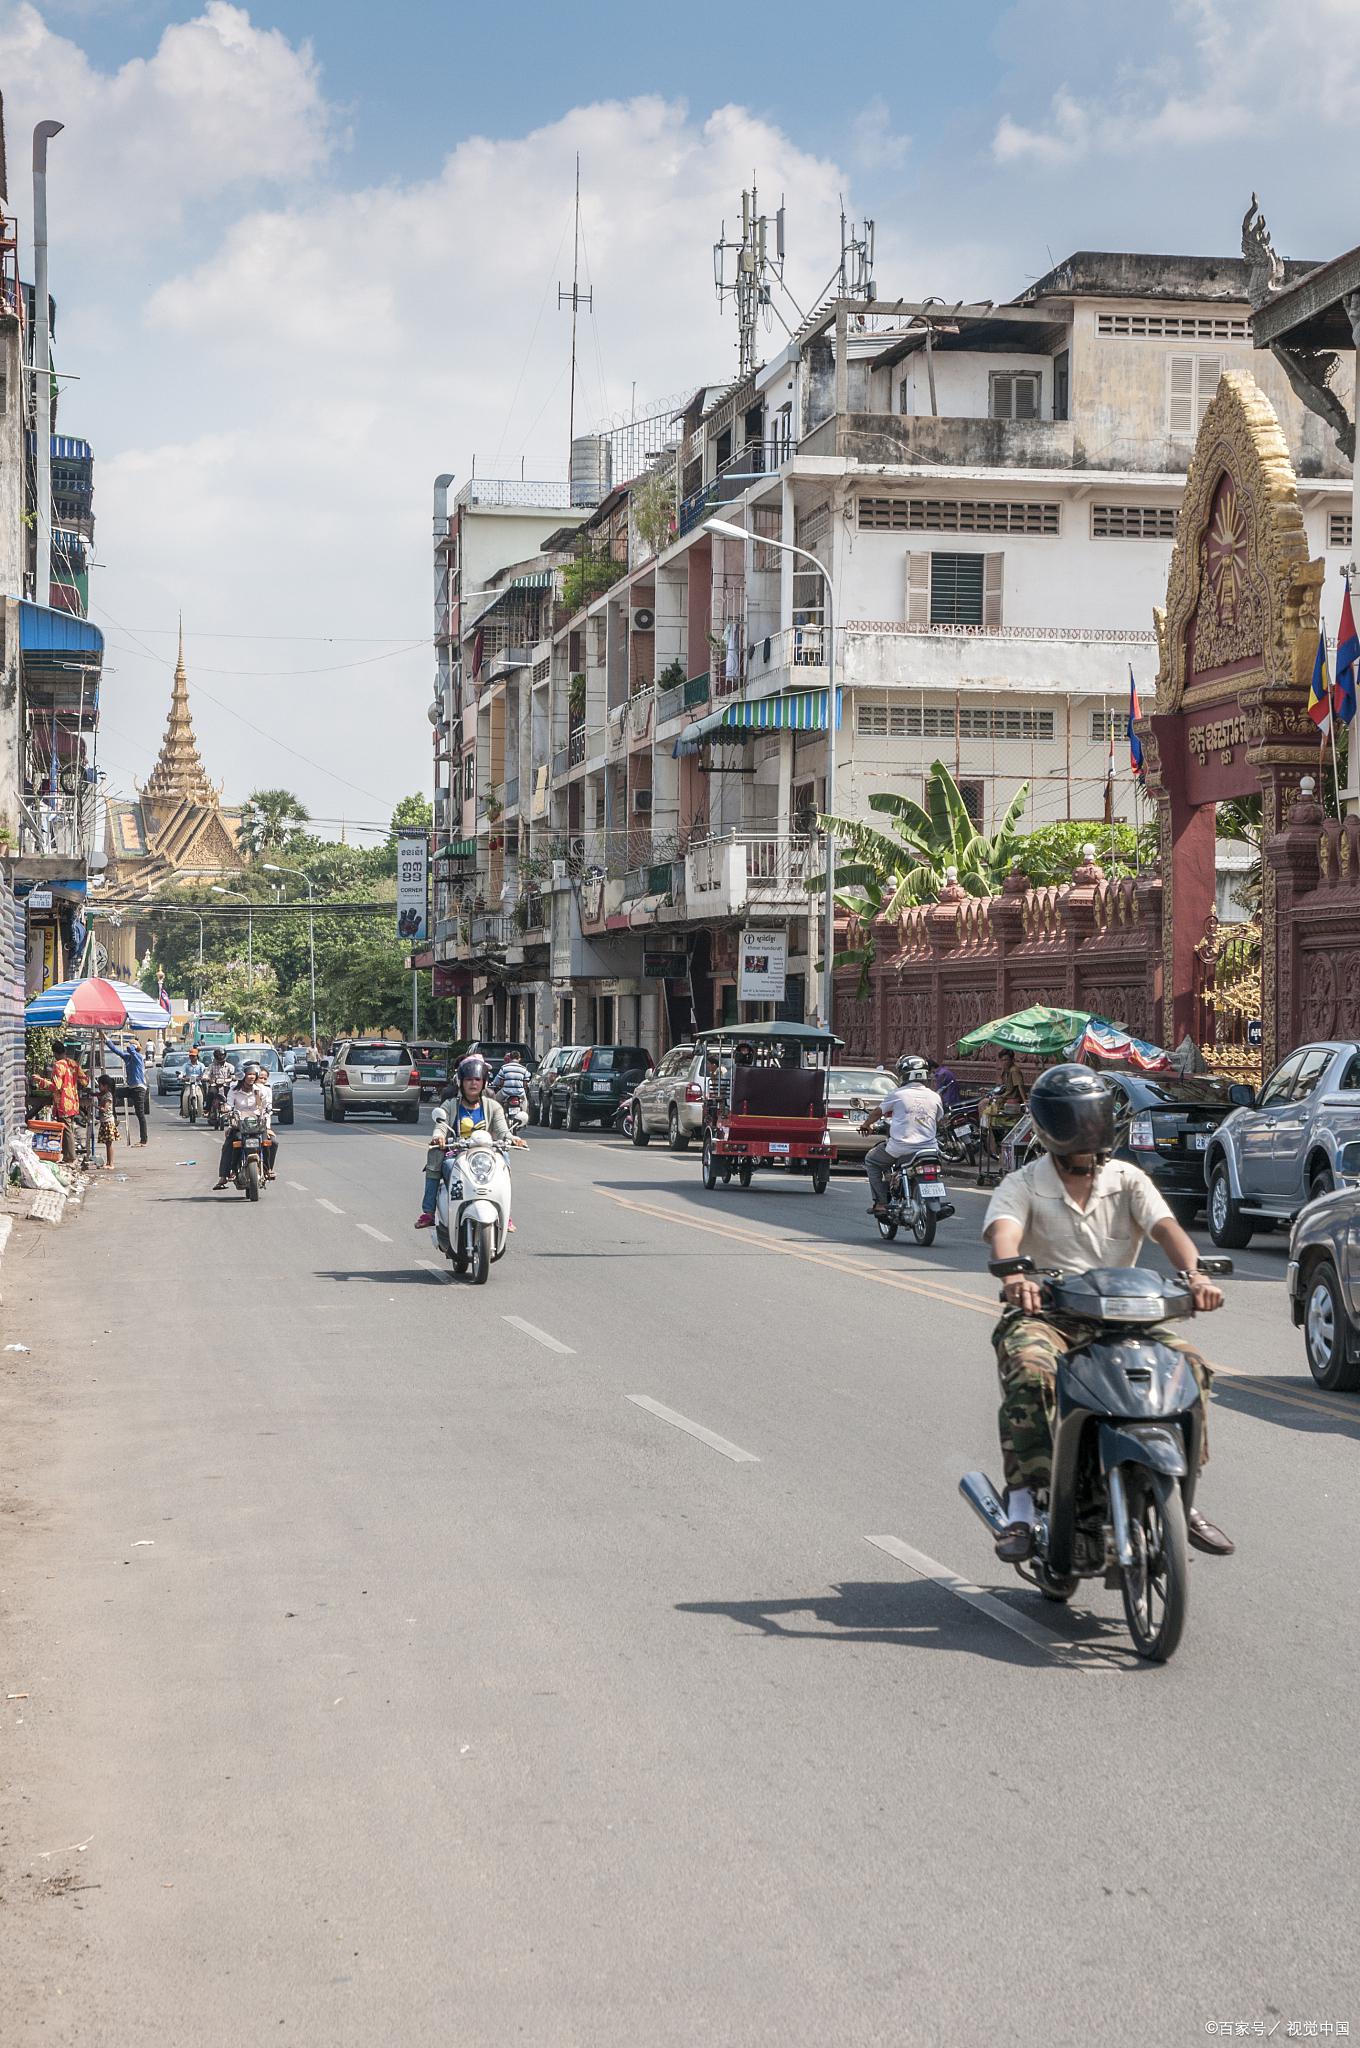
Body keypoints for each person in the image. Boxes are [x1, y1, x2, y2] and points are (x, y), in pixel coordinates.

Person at [982, 1063, 1233, 1563]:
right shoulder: (1024, 1183)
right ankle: (1023, 1503)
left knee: (1192, 1370)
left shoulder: (1128, 1180)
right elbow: (1003, 1233)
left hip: (1125, 1320)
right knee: (1031, 1373)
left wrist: (1196, 1277)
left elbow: (1168, 1231)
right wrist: (1016, 1279)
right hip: (1046, 1316)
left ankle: (1186, 1495)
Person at [416, 1051, 524, 1229]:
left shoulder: (493, 1106)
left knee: (504, 1158)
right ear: (461, 1082)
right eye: (468, 1079)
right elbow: (441, 1126)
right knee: (438, 1157)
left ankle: (506, 1213)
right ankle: (429, 1212)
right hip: (457, 1154)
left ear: (484, 1082)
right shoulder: (450, 1105)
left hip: (486, 1155)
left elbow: (502, 1130)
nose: (473, 1083)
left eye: (477, 1079)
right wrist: (439, 1137)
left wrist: (513, 1139)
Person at [860, 1054, 946, 1218]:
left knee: (872, 1161)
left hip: (900, 1148)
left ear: (904, 1074)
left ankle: (881, 1202)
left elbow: (878, 1112)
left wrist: (866, 1125)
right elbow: (939, 1120)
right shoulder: (935, 1096)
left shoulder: (898, 1094)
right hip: (930, 1150)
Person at [213, 1062, 276, 1189]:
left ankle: (268, 1169)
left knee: (273, 1142)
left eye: (254, 1074)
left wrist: (268, 1110)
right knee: (229, 1145)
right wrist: (226, 1108)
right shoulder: (234, 1091)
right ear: (242, 1076)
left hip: (258, 1125)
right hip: (239, 1125)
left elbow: (262, 1106)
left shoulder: (259, 1091)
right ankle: (225, 1175)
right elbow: (229, 1105)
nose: (252, 1077)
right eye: (249, 1074)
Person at [35, 1041, 87, 1165]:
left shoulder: (58, 1065)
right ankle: (67, 1156)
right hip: (73, 1101)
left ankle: (70, 1157)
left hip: (63, 1103)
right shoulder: (73, 1063)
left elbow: (55, 1086)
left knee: (66, 1129)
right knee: (68, 1129)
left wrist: (41, 1081)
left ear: (54, 1053)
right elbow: (85, 1081)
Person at [121, 1037, 149, 1145]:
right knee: (114, 1093)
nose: (128, 1048)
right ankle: (113, 1117)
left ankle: (143, 1139)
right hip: (131, 1088)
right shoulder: (128, 1058)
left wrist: (133, 1045)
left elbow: (132, 1049)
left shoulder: (138, 1057)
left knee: (140, 1114)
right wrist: (107, 1040)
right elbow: (117, 1051)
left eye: (130, 1047)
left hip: (139, 1088)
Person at [493, 1048, 530, 1123]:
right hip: (520, 1093)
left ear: (510, 1058)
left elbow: (500, 1081)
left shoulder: (504, 1068)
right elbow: (525, 1083)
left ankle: (499, 1116)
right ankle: (524, 1116)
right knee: (525, 1101)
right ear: (519, 1058)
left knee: (496, 1100)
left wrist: (498, 1085)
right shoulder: (524, 1069)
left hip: (505, 1092)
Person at [97, 1075, 118, 1169]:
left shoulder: (108, 1095)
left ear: (105, 1086)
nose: (99, 1087)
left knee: (109, 1144)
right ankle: (108, 1162)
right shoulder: (104, 1094)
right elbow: (97, 1094)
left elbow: (105, 1109)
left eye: (100, 1085)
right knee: (107, 1143)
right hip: (104, 1121)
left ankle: (111, 1163)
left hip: (108, 1121)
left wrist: (94, 1106)